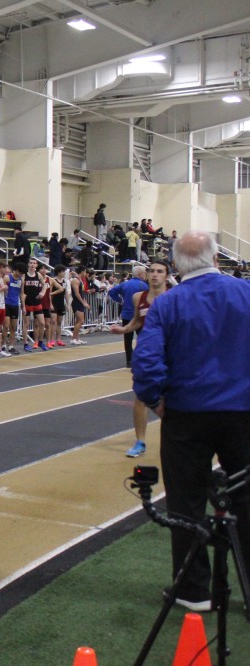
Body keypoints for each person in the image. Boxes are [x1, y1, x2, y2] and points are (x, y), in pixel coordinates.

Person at [132, 232, 250, 611]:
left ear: (176, 265)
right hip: (242, 413)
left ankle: (193, 590)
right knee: (247, 498)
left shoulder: (168, 303)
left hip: (186, 415)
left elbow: (145, 362)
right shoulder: (246, 294)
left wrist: (155, 400)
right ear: (216, 258)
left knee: (186, 502)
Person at [110, 260, 169, 458]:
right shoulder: (138, 297)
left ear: (166, 276)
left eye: (159, 271)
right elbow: (137, 320)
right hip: (147, 355)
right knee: (140, 397)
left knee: (172, 397)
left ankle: (176, 438)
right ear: (146, 275)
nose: (155, 274)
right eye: (151, 271)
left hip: (170, 354)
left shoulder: (174, 296)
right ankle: (140, 442)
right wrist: (123, 329)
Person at [108, 264, 147, 368]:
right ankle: (142, 358)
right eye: (144, 273)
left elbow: (111, 291)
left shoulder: (125, 284)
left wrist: (120, 300)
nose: (145, 275)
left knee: (128, 339)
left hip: (126, 314)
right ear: (140, 274)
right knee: (143, 338)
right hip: (139, 315)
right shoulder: (143, 285)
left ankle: (129, 360)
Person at [22, 257, 47, 352]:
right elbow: (22, 292)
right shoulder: (24, 276)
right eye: (31, 263)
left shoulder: (38, 275)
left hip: (37, 302)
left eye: (34, 263)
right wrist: (23, 305)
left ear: (36, 265)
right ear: (28, 264)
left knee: (42, 323)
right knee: (26, 324)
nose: (32, 265)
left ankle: (40, 341)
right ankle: (25, 344)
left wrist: (43, 292)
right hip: (27, 302)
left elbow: (45, 285)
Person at [2, 262, 24, 355]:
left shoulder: (21, 280)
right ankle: (3, 345)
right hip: (6, 304)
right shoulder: (7, 277)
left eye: (22, 274)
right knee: (6, 326)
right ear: (16, 270)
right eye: (20, 273)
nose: (21, 275)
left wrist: (23, 305)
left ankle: (11, 346)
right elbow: (2, 289)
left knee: (13, 327)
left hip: (15, 305)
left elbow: (21, 293)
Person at [69, 267, 92, 344]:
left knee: (79, 321)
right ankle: (73, 339)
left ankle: (76, 338)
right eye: (85, 272)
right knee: (80, 321)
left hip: (79, 302)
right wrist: (83, 302)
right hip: (76, 302)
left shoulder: (80, 280)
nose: (86, 274)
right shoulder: (75, 280)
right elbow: (77, 294)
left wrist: (85, 302)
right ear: (82, 272)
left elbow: (81, 294)